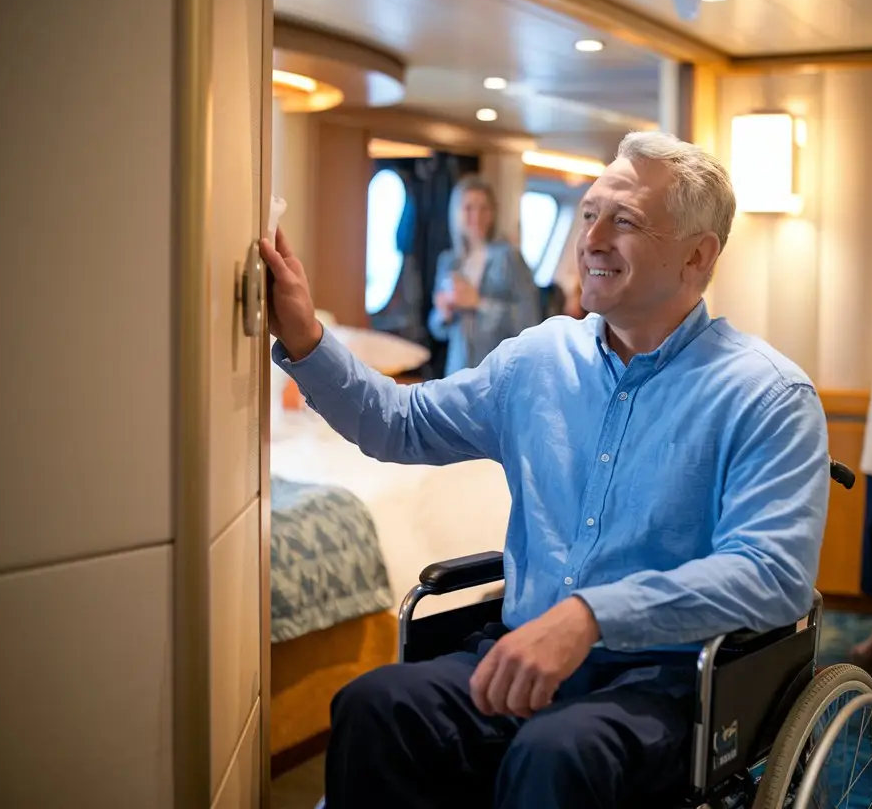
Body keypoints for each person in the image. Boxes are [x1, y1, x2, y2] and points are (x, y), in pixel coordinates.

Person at [262, 130, 832, 809]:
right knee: (374, 704)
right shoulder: (537, 360)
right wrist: (303, 336)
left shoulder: (766, 396)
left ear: (697, 255)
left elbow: (772, 573)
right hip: (516, 655)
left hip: (664, 683)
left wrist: (591, 617)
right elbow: (401, 423)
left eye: (624, 221)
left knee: (554, 756)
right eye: (590, 214)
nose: (591, 239)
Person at [428, 174, 541, 376]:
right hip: (457, 373)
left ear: (493, 213)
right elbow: (438, 330)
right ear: (457, 213)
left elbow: (530, 322)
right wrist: (442, 313)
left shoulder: (510, 257)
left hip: (497, 375)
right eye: (469, 208)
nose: (477, 216)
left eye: (484, 208)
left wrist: (479, 304)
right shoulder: (449, 261)